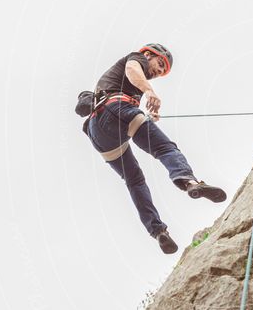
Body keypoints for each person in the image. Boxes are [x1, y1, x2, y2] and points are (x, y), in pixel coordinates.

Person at [82, 44, 226, 254]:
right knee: (165, 148)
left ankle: (158, 231)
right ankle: (189, 182)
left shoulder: (123, 83)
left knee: (134, 180)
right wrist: (149, 91)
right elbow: (133, 70)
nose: (155, 73)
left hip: (99, 134)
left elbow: (129, 90)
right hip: (117, 109)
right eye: (159, 65)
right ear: (148, 55)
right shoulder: (136, 58)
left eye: (159, 74)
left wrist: (144, 107)